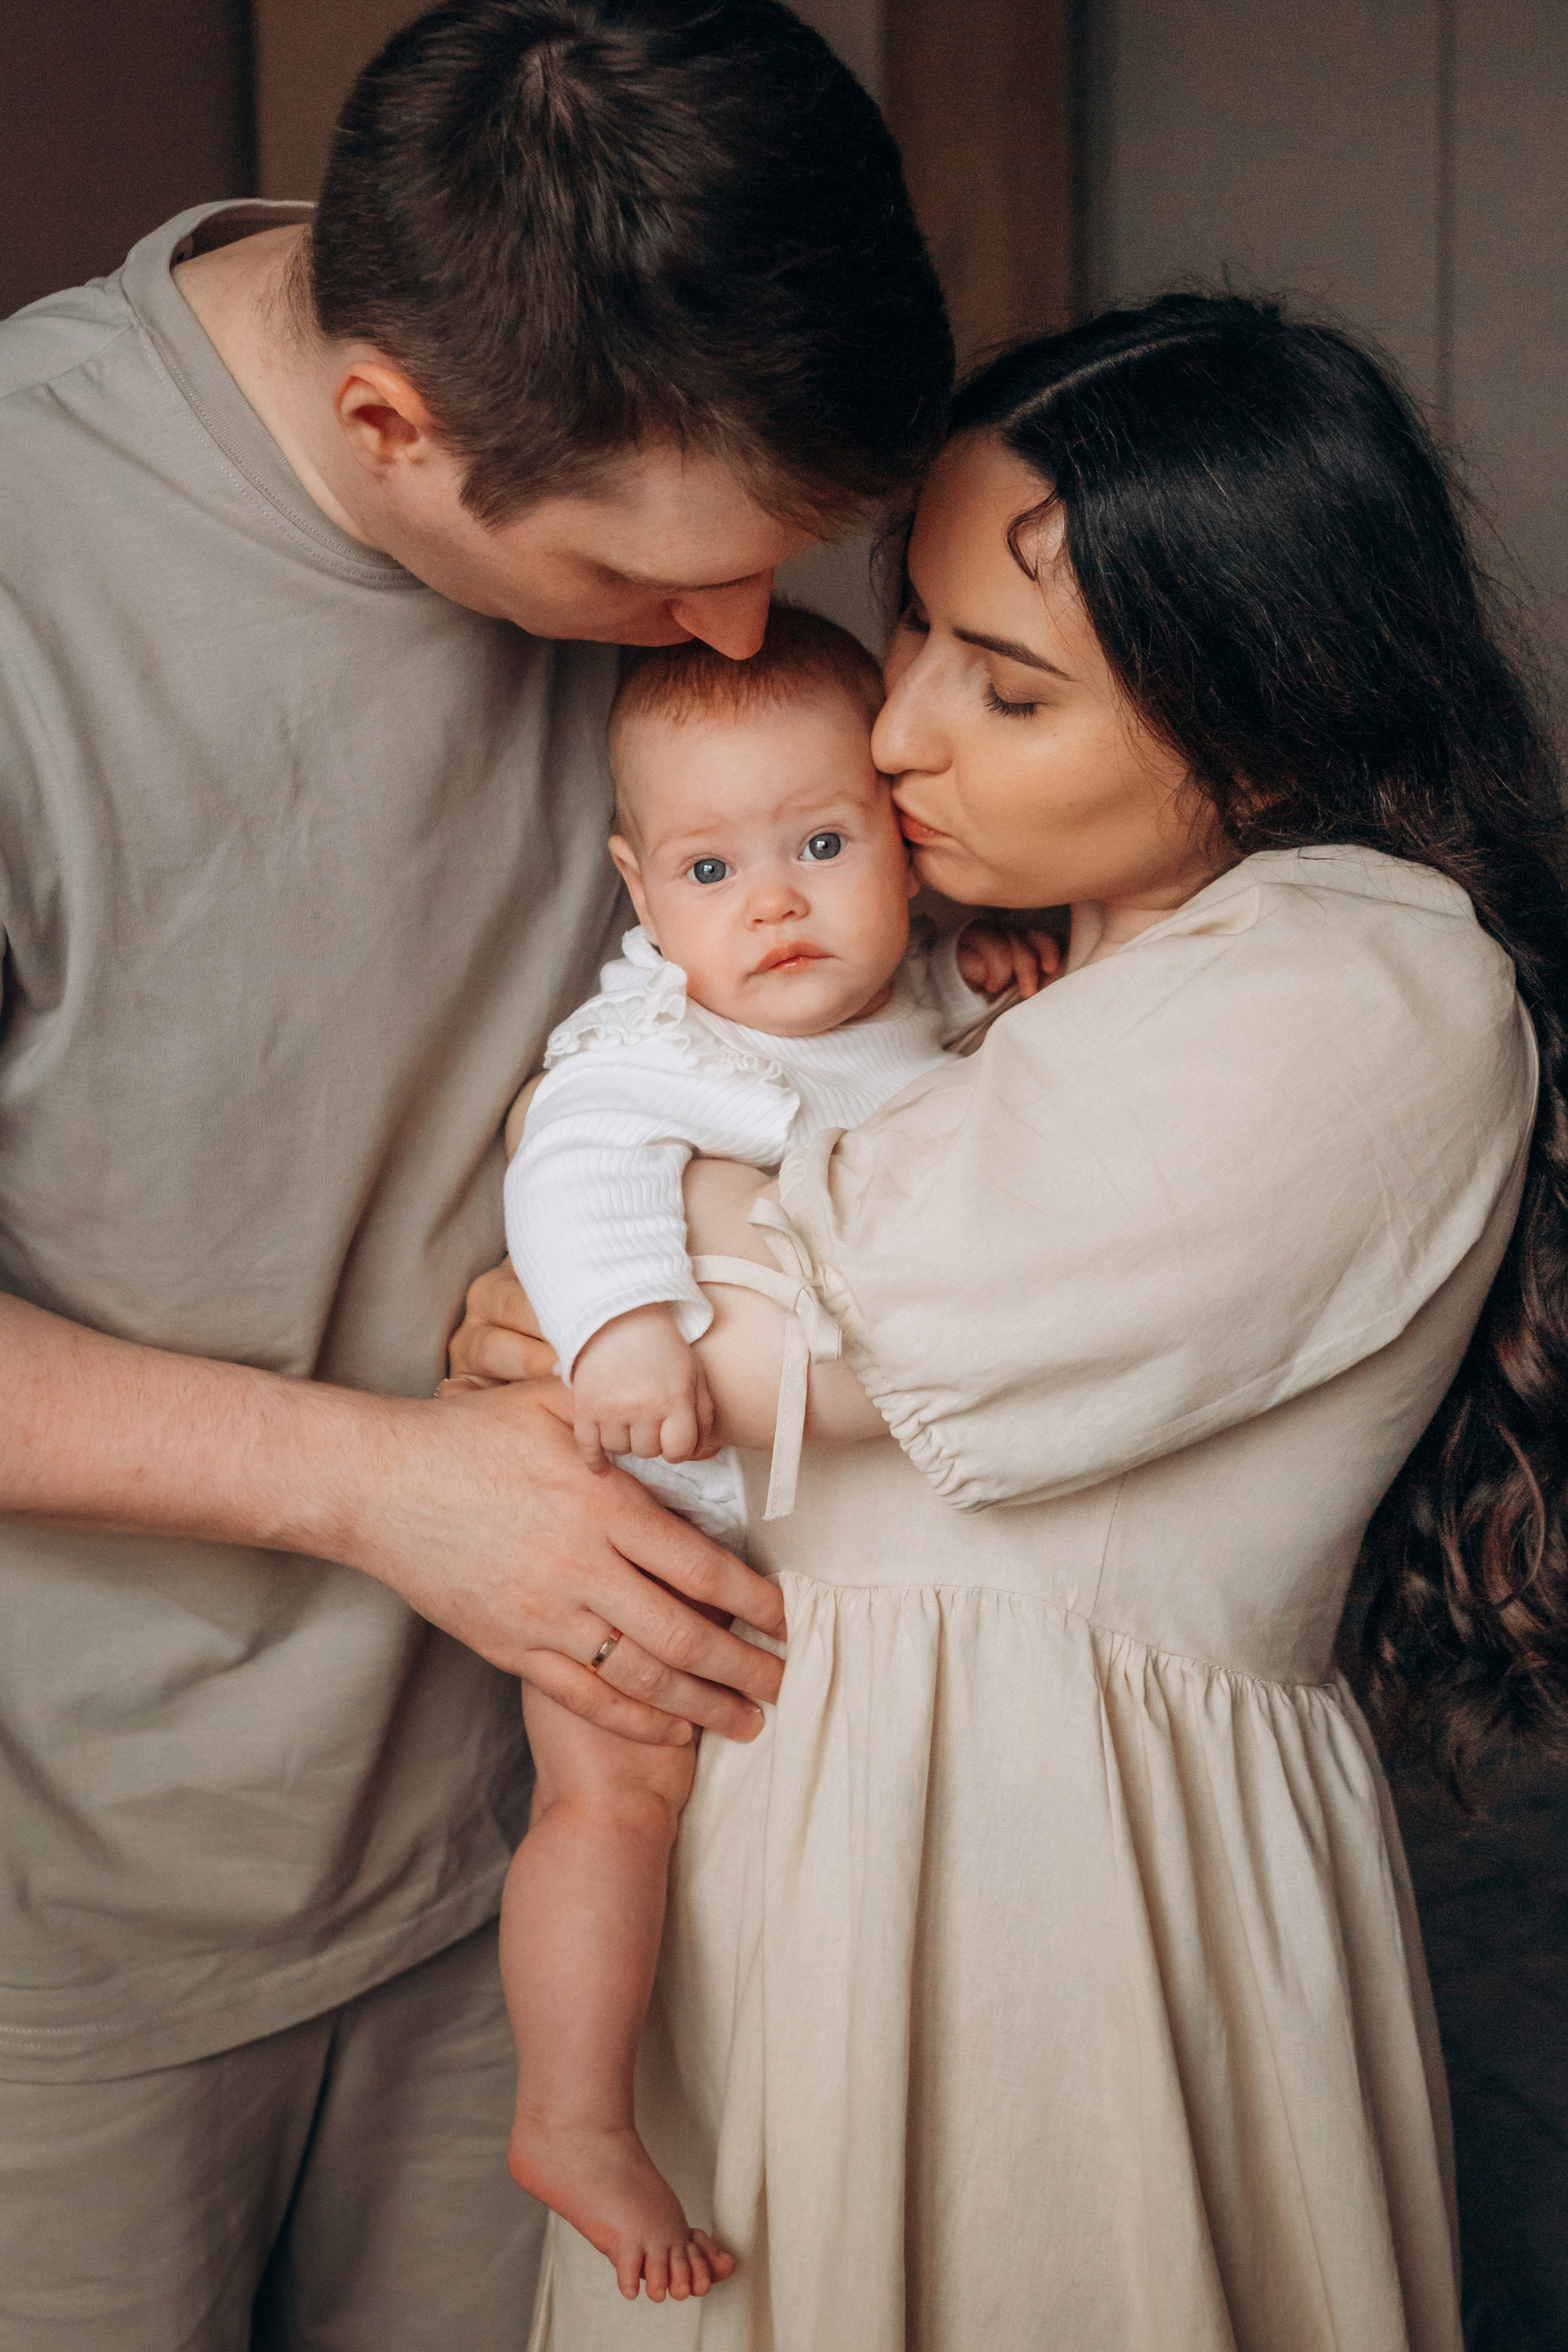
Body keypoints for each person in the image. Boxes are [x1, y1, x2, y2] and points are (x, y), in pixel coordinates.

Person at [449, 294, 1568, 2350]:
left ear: (1261, 721)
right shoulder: (970, 965)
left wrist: (601, 1240)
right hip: (790, 1834)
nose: (890, 737)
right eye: (917, 638)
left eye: (1012, 690)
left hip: (1063, 1874)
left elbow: (826, 1335)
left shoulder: (1362, 985)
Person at [0, 3, 952, 2345]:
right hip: (78, 1919)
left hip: (557, 1837)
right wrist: (386, 1482)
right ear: (390, 430)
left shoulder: (652, 490)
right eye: (661, 592)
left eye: (780, 568)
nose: (738, 641)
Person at [499, 604, 1053, 2301]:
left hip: (813, 1538)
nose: (780, 904)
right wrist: (624, 1336)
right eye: (714, 870)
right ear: (641, 888)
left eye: (822, 844)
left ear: (902, 838)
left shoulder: (918, 1003)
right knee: (609, 1796)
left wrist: (990, 980)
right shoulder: (661, 1045)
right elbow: (569, 1178)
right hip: (637, 1506)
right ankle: (573, 2113)